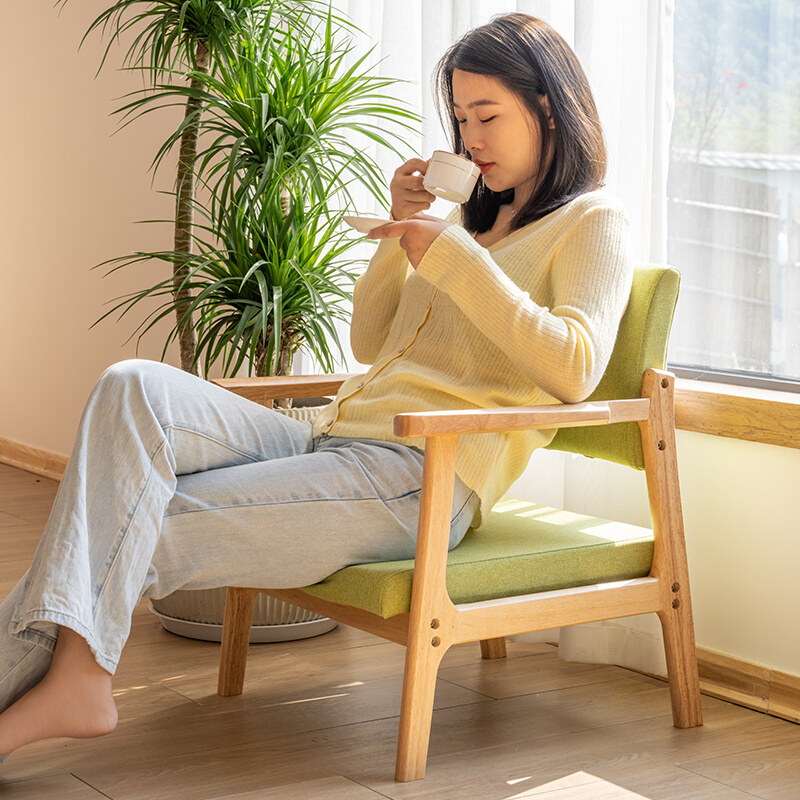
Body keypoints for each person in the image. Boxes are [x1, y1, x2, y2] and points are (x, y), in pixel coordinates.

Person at [0, 12, 633, 761]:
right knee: (130, 386)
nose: (470, 142)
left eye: (488, 117)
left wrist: (458, 257)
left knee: (120, 519)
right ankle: (75, 681)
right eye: (461, 120)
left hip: (417, 476)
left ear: (550, 108)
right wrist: (408, 232)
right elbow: (370, 342)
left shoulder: (594, 221)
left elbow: (574, 367)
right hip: (330, 434)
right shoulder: (468, 219)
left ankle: (69, 683)